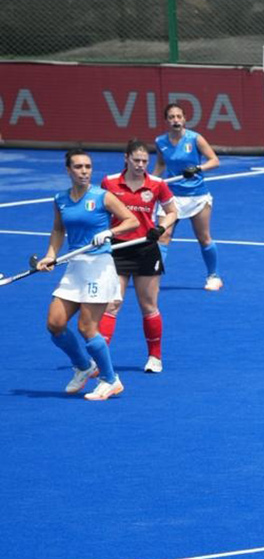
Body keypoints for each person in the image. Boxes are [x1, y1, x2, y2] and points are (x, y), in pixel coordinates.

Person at [36, 149, 139, 400]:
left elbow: (132, 221)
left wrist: (110, 233)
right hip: (75, 266)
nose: (84, 171)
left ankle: (110, 379)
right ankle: (84, 366)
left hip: (99, 266)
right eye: (79, 167)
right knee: (55, 323)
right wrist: (50, 254)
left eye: (88, 167)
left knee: (87, 327)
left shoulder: (103, 196)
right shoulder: (60, 199)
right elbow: (59, 230)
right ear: (68, 170)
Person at [99, 139, 178, 373]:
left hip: (146, 248)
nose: (141, 164)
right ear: (126, 158)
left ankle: (155, 357)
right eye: (136, 160)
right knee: (112, 304)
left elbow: (173, 211)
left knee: (149, 305)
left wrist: (161, 228)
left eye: (145, 161)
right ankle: (100, 359)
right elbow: (100, 210)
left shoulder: (157, 184)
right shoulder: (110, 182)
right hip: (118, 249)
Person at [153, 102, 222, 290]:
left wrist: (198, 168)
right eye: (171, 117)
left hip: (197, 195)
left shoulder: (195, 139)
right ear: (166, 121)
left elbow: (215, 161)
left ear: (184, 119)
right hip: (171, 197)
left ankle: (213, 276)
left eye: (179, 116)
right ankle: (153, 278)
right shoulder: (160, 142)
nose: (176, 120)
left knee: (204, 237)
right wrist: (151, 183)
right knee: (163, 236)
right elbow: (160, 164)